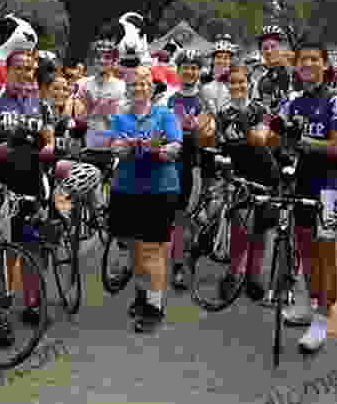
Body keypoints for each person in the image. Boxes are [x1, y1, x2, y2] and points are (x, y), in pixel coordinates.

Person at [265, 35, 337, 352]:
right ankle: (307, 305)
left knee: (326, 253)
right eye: (303, 59)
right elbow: (277, 143)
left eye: (315, 59)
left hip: (329, 185)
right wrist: (276, 134)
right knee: (304, 248)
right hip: (298, 182)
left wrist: (300, 141)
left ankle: (322, 319)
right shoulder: (292, 100)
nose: (309, 64)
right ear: (296, 65)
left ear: (325, 64)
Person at [0, 49, 56, 346]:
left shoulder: (41, 105)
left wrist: (32, 146)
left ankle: (32, 305)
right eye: (19, 67)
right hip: (1, 184)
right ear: (7, 70)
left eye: (29, 68)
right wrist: (12, 145)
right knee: (2, 252)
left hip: (33, 185)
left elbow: (50, 148)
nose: (24, 73)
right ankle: (0, 314)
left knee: (33, 247)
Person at [108, 66, 182, 332]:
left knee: (152, 249)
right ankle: (142, 293)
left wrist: (159, 150)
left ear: (151, 88)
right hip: (126, 189)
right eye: (133, 84)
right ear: (127, 89)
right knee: (134, 246)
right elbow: (115, 146)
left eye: (143, 84)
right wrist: (126, 148)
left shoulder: (165, 115)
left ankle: (154, 306)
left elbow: (175, 147)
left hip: (158, 190)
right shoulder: (120, 117)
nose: (138, 88)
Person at [213, 62, 280, 303]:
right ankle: (234, 274)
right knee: (239, 227)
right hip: (238, 172)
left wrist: (245, 121)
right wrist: (224, 172)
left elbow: (261, 139)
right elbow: (221, 146)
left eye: (242, 82)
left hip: (263, 171)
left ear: (249, 84)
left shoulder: (259, 109)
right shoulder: (222, 113)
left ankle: (254, 276)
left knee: (261, 229)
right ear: (228, 86)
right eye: (233, 82)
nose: (238, 86)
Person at [166, 50, 206, 290]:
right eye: (185, 67)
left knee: (192, 214)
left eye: (194, 67)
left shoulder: (205, 99)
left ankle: (189, 254)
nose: (190, 72)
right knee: (177, 215)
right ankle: (178, 265)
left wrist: (197, 129)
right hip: (173, 162)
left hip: (197, 163)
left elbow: (209, 132)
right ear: (178, 71)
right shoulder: (168, 98)